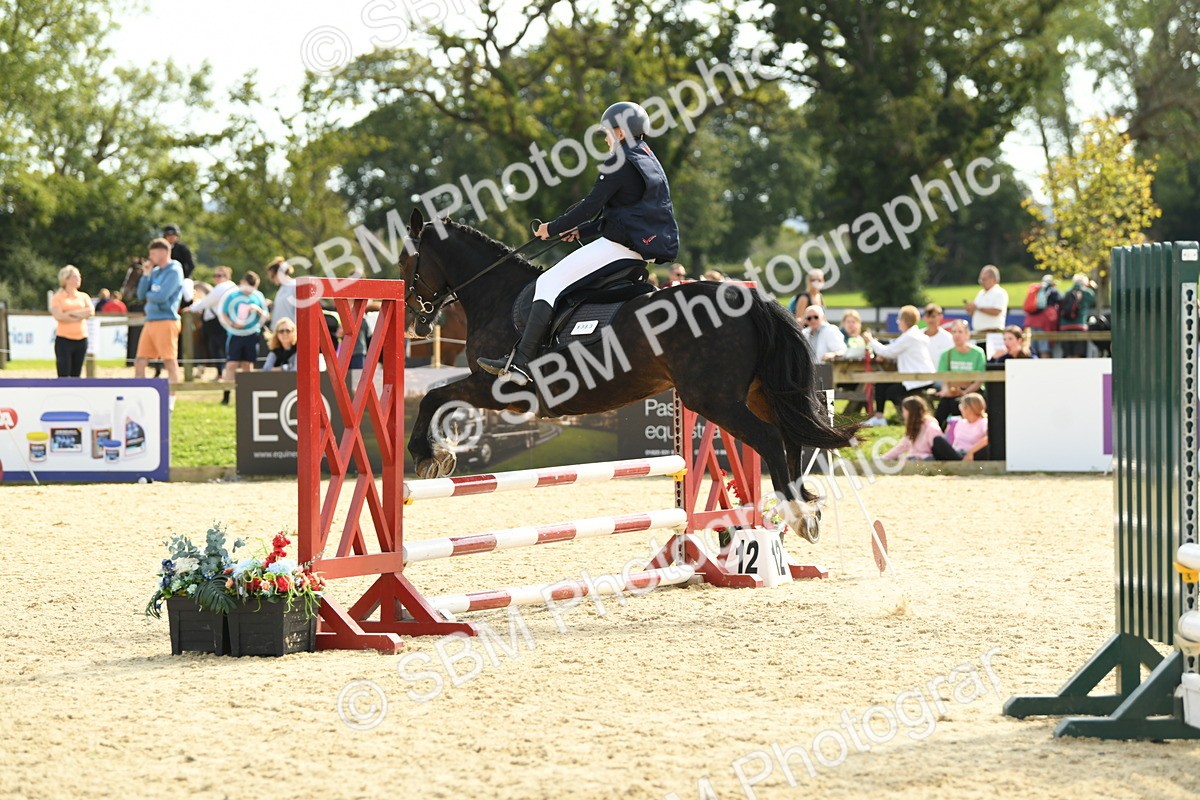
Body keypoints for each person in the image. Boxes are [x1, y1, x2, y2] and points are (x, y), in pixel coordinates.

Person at [478, 101, 679, 386]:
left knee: (548, 283)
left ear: (621, 133)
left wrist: (553, 228)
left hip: (618, 248)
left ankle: (522, 363)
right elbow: (620, 215)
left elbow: (590, 206)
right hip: (636, 249)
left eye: (608, 133)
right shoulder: (647, 159)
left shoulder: (619, 160)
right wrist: (580, 233)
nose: (607, 139)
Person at [861, 305, 935, 427]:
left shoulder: (910, 336)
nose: (898, 323)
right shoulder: (912, 335)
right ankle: (880, 417)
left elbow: (889, 352)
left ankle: (910, 418)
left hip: (919, 379)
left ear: (904, 321)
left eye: (899, 320)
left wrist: (870, 341)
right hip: (915, 377)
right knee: (881, 384)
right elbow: (894, 350)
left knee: (892, 391)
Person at [135, 239, 185, 408]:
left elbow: (162, 296)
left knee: (169, 361)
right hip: (151, 321)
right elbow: (141, 294)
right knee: (140, 360)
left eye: (153, 253)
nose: (150, 257)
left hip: (166, 320)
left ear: (164, 252)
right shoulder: (155, 272)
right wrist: (146, 275)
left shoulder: (175, 271)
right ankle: (140, 396)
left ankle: (171, 399)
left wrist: (151, 295)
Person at [218, 271, 269, 402]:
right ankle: (226, 395)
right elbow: (224, 313)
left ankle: (248, 396)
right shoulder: (232, 296)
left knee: (248, 366)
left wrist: (258, 310)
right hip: (235, 335)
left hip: (252, 335)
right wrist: (233, 324)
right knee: (231, 365)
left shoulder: (258, 296)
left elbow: (266, 316)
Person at [184, 265, 237, 377]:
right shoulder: (233, 287)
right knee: (222, 349)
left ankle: (222, 374)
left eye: (219, 275)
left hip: (216, 323)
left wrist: (191, 308)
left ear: (227, 277)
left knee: (218, 349)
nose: (216, 278)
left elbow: (206, 302)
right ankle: (224, 373)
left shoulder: (222, 287)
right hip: (226, 322)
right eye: (215, 275)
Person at [933, 319, 986, 428]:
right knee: (940, 413)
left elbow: (979, 380)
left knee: (958, 405)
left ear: (967, 334)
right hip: (952, 392)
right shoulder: (946, 354)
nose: (957, 335)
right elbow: (944, 377)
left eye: (960, 332)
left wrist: (965, 392)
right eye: (954, 332)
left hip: (972, 392)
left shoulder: (978, 353)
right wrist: (946, 390)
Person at [49, 265, 93, 377]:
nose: (78, 279)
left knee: (76, 375)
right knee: (63, 374)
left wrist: (70, 313)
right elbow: (59, 316)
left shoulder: (83, 296)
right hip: (64, 340)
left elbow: (90, 312)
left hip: (81, 339)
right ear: (66, 279)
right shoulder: (58, 297)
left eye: (79, 276)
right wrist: (80, 315)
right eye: (75, 276)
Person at [881, 396, 943, 461]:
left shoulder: (931, 427)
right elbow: (903, 445)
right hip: (913, 458)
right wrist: (884, 457)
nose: (903, 414)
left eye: (904, 411)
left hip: (926, 460)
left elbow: (939, 449)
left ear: (910, 412)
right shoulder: (913, 426)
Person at [934, 392, 990, 461]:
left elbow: (989, 438)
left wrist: (971, 452)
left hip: (973, 455)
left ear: (969, 408)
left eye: (961, 406)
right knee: (938, 440)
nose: (960, 410)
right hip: (957, 454)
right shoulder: (960, 422)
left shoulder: (983, 422)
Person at [1058, 273, 1097, 358]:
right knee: (1078, 353)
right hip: (1080, 325)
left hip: (1065, 326)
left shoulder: (1067, 292)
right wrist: (1092, 287)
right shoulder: (1087, 292)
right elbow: (1094, 301)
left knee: (1067, 353)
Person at [1023, 274, 1061, 356]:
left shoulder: (1036, 289)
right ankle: (1045, 368)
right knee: (1044, 349)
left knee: (1032, 350)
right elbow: (1061, 300)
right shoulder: (1053, 291)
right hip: (1044, 323)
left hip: (1031, 322)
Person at [965, 265, 1008, 331]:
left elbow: (997, 311)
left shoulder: (1000, 292)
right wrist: (970, 309)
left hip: (992, 332)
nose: (981, 282)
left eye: (984, 279)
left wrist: (977, 307)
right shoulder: (981, 293)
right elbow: (976, 312)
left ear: (993, 279)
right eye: (980, 279)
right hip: (978, 332)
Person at [266, 257, 298, 328]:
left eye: (272, 276)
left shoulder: (295, 286)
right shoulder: (282, 289)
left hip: (289, 331)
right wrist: (272, 304)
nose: (272, 279)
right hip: (278, 331)